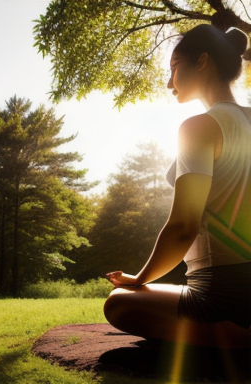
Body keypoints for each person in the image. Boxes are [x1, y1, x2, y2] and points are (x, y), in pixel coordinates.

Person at [103, 24, 251, 349]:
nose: (169, 83)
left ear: (202, 61)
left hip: (222, 294)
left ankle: (238, 336)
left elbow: (184, 227)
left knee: (117, 303)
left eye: (174, 68)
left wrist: (139, 279)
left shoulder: (198, 127)